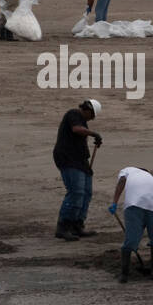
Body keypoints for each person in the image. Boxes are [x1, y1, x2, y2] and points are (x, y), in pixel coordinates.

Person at [53, 99, 102, 241]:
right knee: (76, 192)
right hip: (68, 159)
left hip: (80, 161)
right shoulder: (73, 114)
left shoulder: (82, 121)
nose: (91, 119)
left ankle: (77, 225)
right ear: (88, 110)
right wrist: (93, 134)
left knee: (86, 193)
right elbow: (76, 129)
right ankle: (63, 226)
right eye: (92, 116)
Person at [109, 167, 153, 282]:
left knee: (131, 238)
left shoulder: (127, 170)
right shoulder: (148, 176)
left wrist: (115, 202)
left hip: (134, 204)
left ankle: (124, 274)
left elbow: (121, 182)